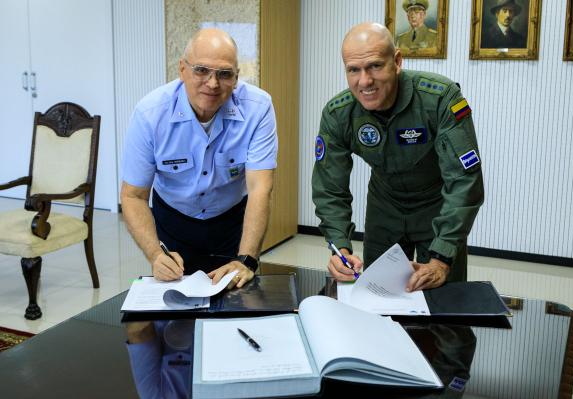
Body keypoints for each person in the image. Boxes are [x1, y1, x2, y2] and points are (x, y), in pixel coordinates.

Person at [312, 22, 484, 292]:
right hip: (385, 207)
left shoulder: (439, 98)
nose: (364, 81)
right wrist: (339, 247)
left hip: (436, 207)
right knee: (380, 294)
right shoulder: (339, 114)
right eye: (353, 70)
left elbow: (464, 180)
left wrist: (441, 258)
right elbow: (329, 187)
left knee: (443, 299)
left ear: (397, 61)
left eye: (375, 66)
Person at [120, 28, 277, 289]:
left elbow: (260, 188)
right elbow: (133, 195)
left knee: (233, 302)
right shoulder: (150, 114)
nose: (213, 83)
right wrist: (155, 255)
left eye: (225, 74)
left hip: (231, 221)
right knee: (176, 314)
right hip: (172, 220)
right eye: (201, 70)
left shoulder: (258, 108)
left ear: (237, 78)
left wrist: (247, 259)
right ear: (182, 69)